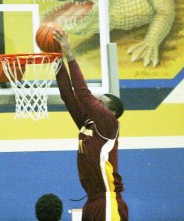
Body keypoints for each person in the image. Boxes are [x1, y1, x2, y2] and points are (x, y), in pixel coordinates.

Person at [53, 29, 128, 221]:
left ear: (110, 113)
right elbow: (68, 96)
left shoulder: (109, 124)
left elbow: (83, 94)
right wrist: (57, 60)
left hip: (108, 202)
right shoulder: (87, 122)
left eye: (100, 102)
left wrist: (69, 54)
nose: (95, 102)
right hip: (93, 202)